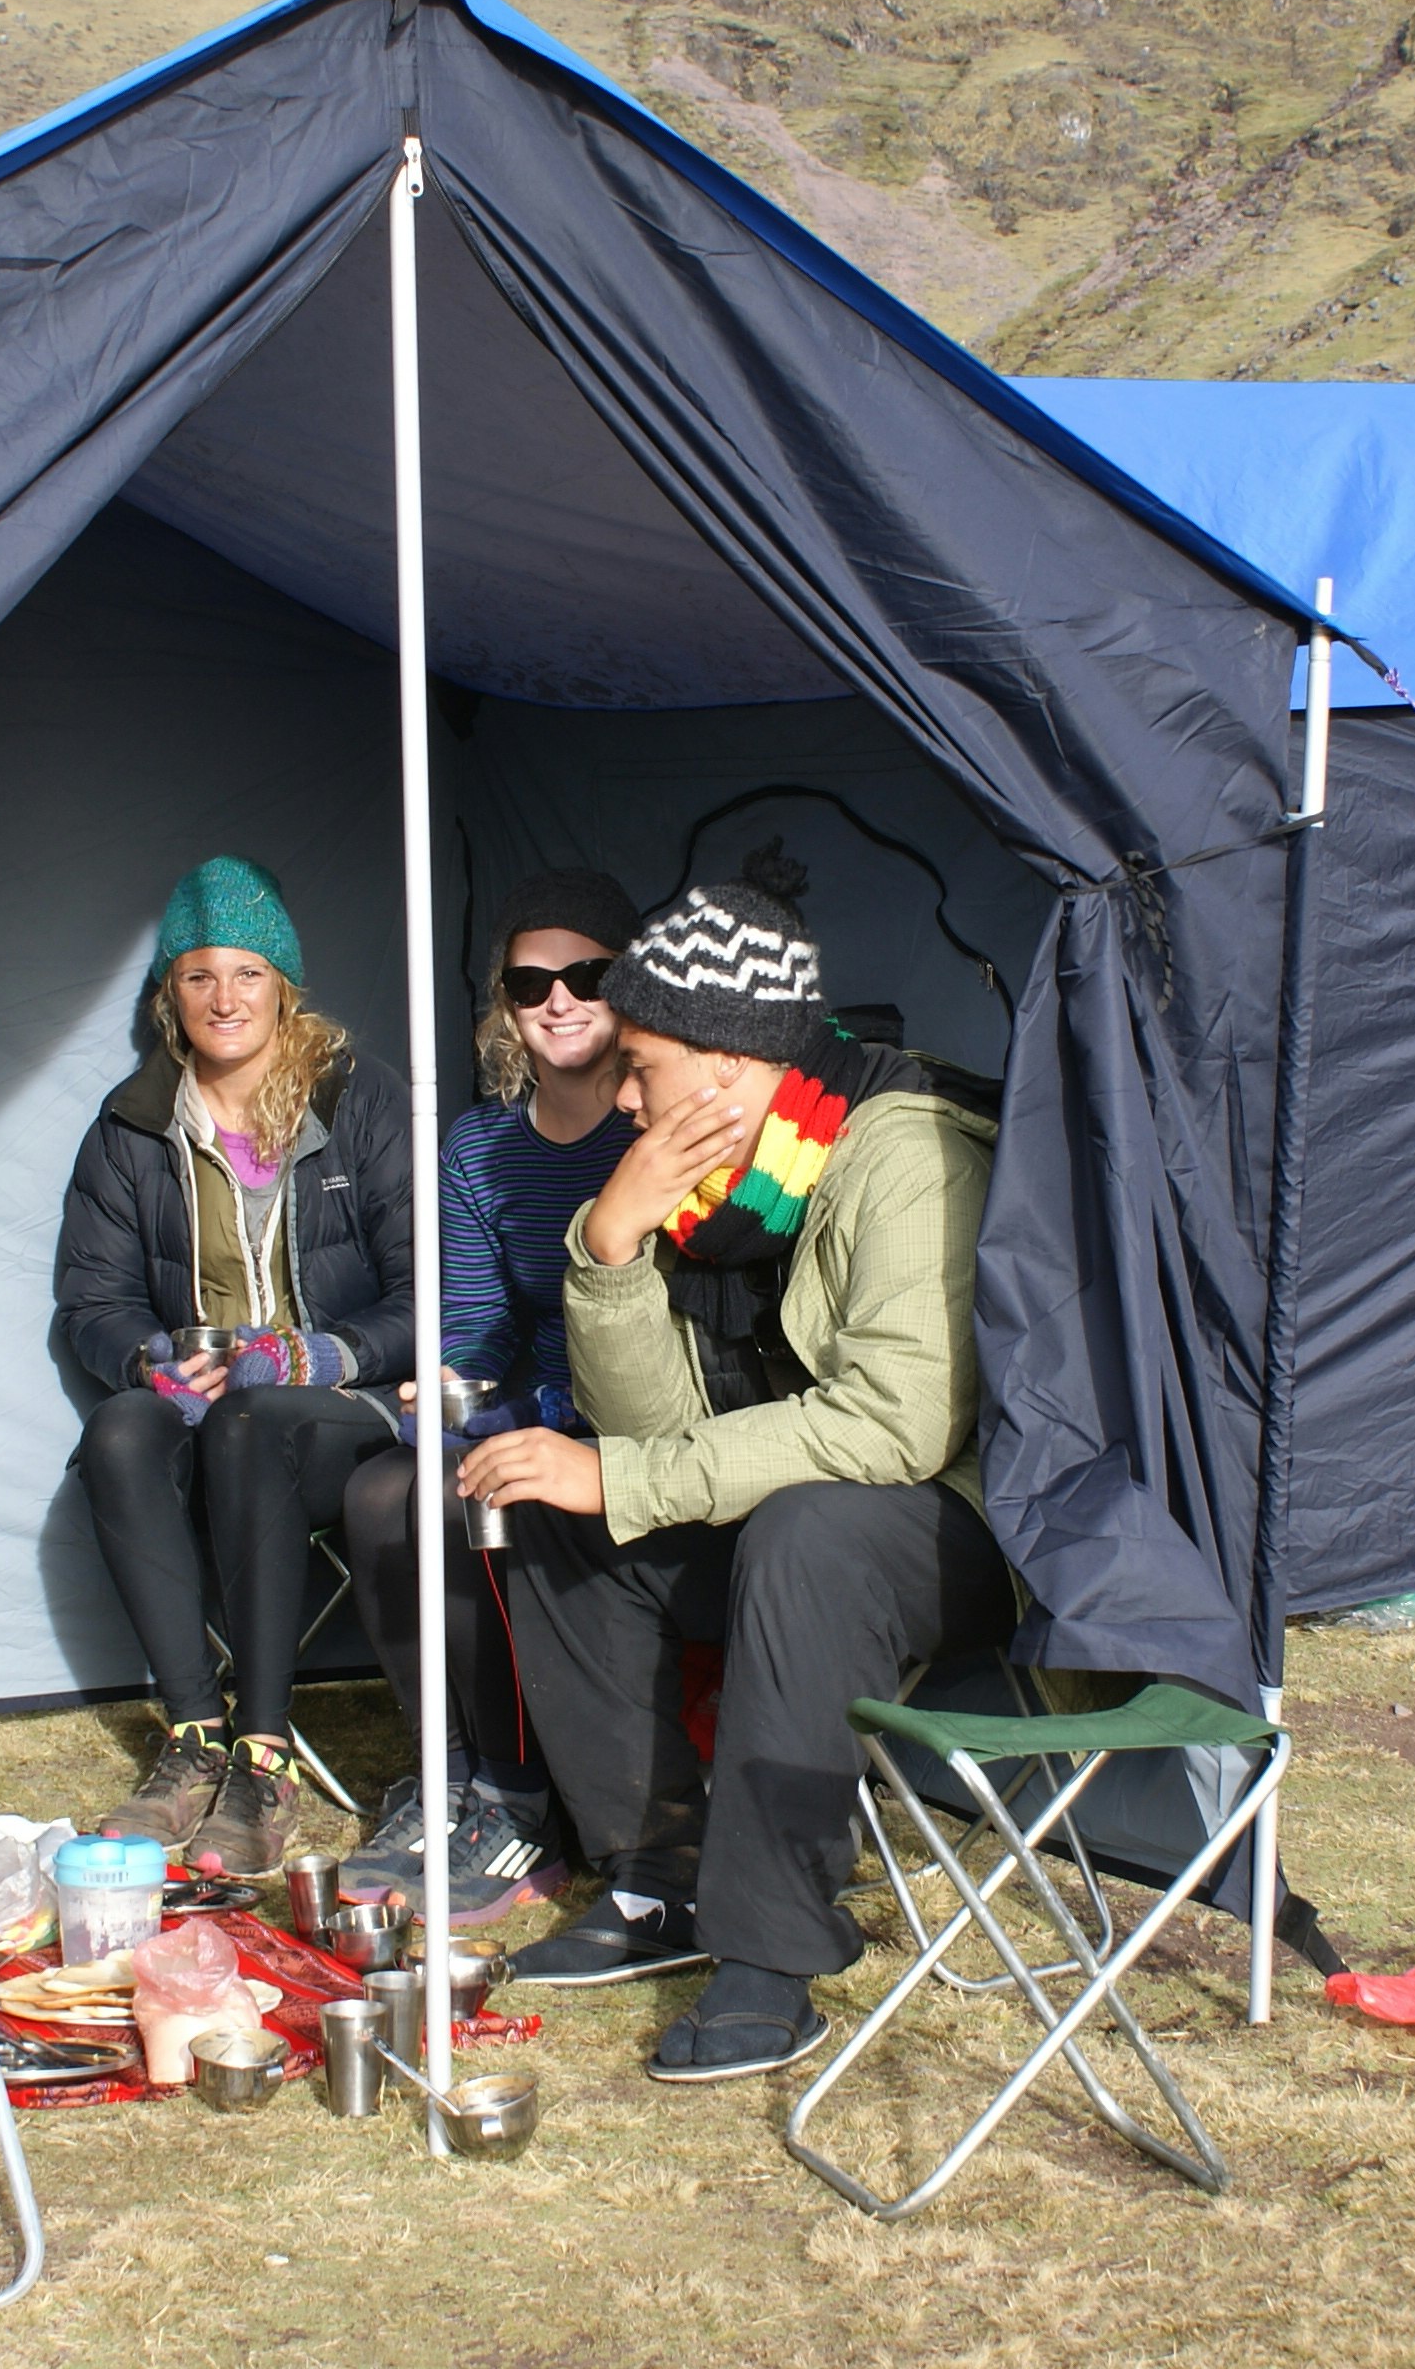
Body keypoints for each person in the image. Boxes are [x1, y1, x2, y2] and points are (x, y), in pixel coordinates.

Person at [455, 852, 1011, 2083]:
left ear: (724, 1060)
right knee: (556, 1505)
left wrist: (634, 1478)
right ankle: (660, 1884)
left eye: (640, 1069)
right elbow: (643, 1428)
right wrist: (606, 1242)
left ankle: (771, 1953)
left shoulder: (904, 1154)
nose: (627, 1102)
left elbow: (898, 1425)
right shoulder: (703, 1189)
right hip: (775, 1520)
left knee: (802, 1528)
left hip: (946, 1531)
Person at [49, 855, 412, 1877]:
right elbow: (89, 1298)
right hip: (204, 1398)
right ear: (170, 993)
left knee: (258, 1421)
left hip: (338, 1399)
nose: (223, 998)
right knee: (117, 1431)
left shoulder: (358, 1101)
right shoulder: (130, 1129)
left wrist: (311, 1352)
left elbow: (423, 1291)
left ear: (282, 986)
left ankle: (263, 1756)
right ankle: (191, 1738)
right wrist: (147, 1354)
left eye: (246, 973)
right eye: (198, 975)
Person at [330, 870, 642, 1926]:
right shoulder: (478, 1145)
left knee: (483, 1491)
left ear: (627, 985)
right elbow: (477, 1324)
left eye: (585, 975)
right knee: (381, 1491)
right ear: (504, 1004)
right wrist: (450, 1383)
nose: (557, 1000)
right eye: (530, 982)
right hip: (529, 1399)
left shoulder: (659, 1134)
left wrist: (522, 1413)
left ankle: (517, 1797)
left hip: (632, 1409)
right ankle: (447, 1776)